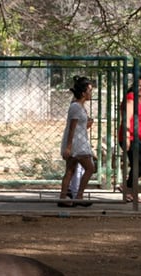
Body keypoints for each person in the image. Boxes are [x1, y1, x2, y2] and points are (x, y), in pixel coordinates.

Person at [58, 76, 96, 207]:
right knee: (90, 168)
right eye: (89, 90)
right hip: (77, 144)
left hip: (78, 141)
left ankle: (64, 197)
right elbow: (72, 128)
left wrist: (87, 124)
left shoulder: (79, 106)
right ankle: (79, 195)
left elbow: (79, 126)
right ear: (83, 92)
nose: (91, 93)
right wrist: (68, 147)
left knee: (70, 170)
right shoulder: (76, 107)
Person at [118, 76, 141, 203]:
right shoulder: (131, 98)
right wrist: (126, 137)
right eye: (140, 86)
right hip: (131, 137)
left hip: (139, 137)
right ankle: (128, 189)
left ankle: (129, 190)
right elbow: (126, 118)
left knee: (140, 165)